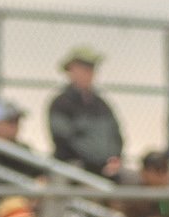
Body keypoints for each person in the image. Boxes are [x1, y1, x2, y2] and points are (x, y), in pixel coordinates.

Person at [48, 48, 124, 181]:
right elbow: (64, 140)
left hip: (104, 168)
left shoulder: (102, 104)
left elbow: (117, 136)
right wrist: (94, 162)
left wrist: (113, 159)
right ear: (71, 70)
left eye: (91, 68)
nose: (89, 72)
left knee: (133, 182)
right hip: (75, 167)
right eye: (84, 67)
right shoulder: (61, 104)